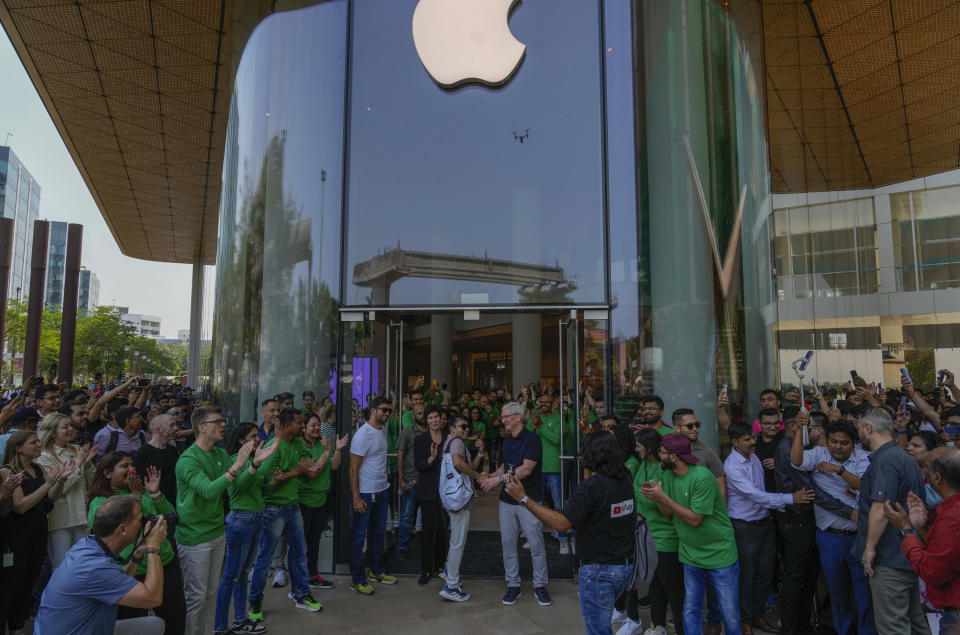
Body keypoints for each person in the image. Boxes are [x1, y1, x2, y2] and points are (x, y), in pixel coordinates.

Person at [504, 431, 635, 635]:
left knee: (598, 631)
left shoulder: (592, 488)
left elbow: (562, 524)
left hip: (599, 572)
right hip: (624, 567)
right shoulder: (625, 478)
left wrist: (523, 499)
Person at [176, 406, 275, 635]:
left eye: (223, 420)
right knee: (197, 598)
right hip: (194, 537)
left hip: (216, 532)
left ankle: (218, 629)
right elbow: (210, 491)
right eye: (217, 421)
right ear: (201, 428)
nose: (223, 424)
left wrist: (255, 463)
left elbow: (237, 485)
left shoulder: (220, 454)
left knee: (210, 593)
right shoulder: (188, 460)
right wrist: (240, 464)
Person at [640, 433, 740, 635]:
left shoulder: (702, 477)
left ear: (674, 457)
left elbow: (695, 519)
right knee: (690, 609)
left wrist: (664, 498)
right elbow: (667, 514)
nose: (659, 456)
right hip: (690, 554)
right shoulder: (667, 476)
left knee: (729, 612)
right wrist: (657, 498)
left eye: (663, 452)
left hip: (719, 553)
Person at [724, 419, 813, 634]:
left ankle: (755, 615)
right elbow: (756, 496)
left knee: (765, 574)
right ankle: (745, 619)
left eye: (752, 437)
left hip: (764, 523)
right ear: (735, 442)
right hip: (744, 527)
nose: (753, 442)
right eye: (747, 439)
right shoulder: (731, 466)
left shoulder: (753, 457)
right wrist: (791, 498)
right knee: (747, 575)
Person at [34, 496, 167, 635]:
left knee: (154, 625)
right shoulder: (93, 567)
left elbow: (119, 582)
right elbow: (153, 598)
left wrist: (138, 553)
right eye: (140, 520)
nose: (142, 524)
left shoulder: (87, 545)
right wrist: (153, 546)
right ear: (122, 529)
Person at [791, 418, 875, 635]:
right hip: (830, 538)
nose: (837, 447)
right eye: (833, 441)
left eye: (843, 443)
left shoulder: (863, 458)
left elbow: (866, 486)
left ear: (853, 443)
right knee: (837, 592)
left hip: (859, 537)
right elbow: (797, 461)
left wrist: (838, 471)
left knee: (864, 592)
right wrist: (800, 430)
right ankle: (843, 631)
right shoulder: (819, 454)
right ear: (826, 439)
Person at [87, 452, 186, 633]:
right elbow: (126, 528)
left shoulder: (139, 490)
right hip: (131, 574)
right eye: (124, 466)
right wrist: (136, 498)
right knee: (133, 626)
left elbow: (170, 516)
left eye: (132, 464)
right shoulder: (100, 502)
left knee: (175, 621)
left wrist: (154, 493)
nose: (131, 469)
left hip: (164, 565)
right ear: (107, 473)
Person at [854, 407, 930, 635]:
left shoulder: (886, 461)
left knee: (893, 627)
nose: (858, 435)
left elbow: (880, 510)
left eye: (859, 429)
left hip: (889, 559)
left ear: (868, 428)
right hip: (905, 554)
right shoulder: (904, 457)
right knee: (915, 622)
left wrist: (868, 549)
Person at [248, 408, 324, 616]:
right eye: (299, 422)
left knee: (300, 554)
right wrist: (295, 472)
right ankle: (255, 601)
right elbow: (265, 484)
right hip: (273, 509)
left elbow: (308, 469)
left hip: (293, 506)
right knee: (265, 559)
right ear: (287, 425)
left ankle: (301, 594)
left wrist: (299, 471)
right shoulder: (274, 446)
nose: (302, 425)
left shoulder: (298, 443)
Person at [0, 430, 75, 635]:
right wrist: (49, 484)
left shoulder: (38, 468)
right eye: (33, 443)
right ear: (18, 448)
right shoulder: (8, 471)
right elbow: (20, 506)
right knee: (11, 584)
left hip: (38, 531)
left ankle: (18, 628)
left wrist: (60, 481)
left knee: (29, 582)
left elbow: (50, 499)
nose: (39, 445)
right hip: (16, 536)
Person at [479, 401, 551, 607]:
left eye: (505, 417)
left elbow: (526, 469)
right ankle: (513, 585)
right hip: (507, 500)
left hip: (529, 499)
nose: (502, 420)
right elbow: (505, 467)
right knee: (508, 544)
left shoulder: (533, 439)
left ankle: (540, 585)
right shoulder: (507, 441)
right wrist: (490, 475)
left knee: (536, 543)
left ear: (517, 417)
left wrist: (497, 481)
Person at [883, 447, 960, 635]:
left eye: (925, 468)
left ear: (936, 478)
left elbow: (933, 572)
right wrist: (921, 528)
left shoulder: (951, 519)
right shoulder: (949, 515)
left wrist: (906, 531)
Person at [619, 428, 683, 635]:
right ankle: (658, 626)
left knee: (673, 589)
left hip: (665, 538)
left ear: (649, 447)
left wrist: (656, 497)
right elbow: (635, 492)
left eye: (639, 445)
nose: (635, 448)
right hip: (645, 535)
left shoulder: (664, 470)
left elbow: (667, 512)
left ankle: (684, 629)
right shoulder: (644, 465)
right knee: (654, 585)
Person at [214, 423, 268, 635]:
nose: (257, 439)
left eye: (257, 435)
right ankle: (220, 627)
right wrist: (253, 465)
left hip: (256, 517)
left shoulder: (255, 456)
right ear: (240, 440)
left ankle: (239, 620)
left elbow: (262, 484)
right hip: (241, 519)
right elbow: (238, 487)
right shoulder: (233, 461)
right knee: (230, 576)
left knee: (242, 573)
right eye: (252, 436)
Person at [349, 396, 399, 594]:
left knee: (378, 534)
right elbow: (353, 469)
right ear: (373, 410)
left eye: (389, 411)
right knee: (359, 536)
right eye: (383, 410)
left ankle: (376, 571)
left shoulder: (381, 431)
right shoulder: (363, 434)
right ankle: (357, 578)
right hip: (365, 493)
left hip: (381, 490)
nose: (386, 413)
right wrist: (356, 497)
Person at [36, 412, 98, 566]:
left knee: (83, 563)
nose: (71, 429)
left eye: (72, 425)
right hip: (60, 519)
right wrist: (79, 464)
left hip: (82, 516)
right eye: (65, 427)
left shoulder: (76, 450)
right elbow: (57, 491)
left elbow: (91, 483)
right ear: (52, 432)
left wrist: (88, 464)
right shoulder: (44, 457)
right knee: (61, 566)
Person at [439, 413, 486, 602]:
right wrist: (478, 476)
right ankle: (451, 585)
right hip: (458, 499)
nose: (466, 430)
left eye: (467, 427)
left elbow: (466, 465)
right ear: (452, 429)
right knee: (458, 541)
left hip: (453, 496)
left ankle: (448, 571)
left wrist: (480, 454)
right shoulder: (456, 441)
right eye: (462, 426)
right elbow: (459, 463)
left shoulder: (454, 442)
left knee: (456, 539)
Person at [299, 411, 347, 589]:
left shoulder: (322, 444)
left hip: (320, 500)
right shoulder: (300, 446)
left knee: (314, 542)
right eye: (313, 425)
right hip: (304, 502)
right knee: (301, 544)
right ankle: (300, 581)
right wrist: (327, 453)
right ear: (303, 427)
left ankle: (312, 576)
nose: (317, 428)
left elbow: (334, 465)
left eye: (318, 424)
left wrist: (338, 449)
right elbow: (312, 472)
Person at [413, 405, 450, 585]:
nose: (434, 421)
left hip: (446, 491)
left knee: (443, 531)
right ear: (426, 421)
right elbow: (418, 465)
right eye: (431, 418)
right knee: (428, 531)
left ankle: (440, 565)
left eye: (437, 417)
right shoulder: (421, 440)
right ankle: (426, 569)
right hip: (427, 491)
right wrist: (431, 459)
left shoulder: (449, 439)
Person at [395, 402, 426, 556]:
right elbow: (399, 456)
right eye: (419, 413)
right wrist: (401, 480)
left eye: (424, 413)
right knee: (407, 516)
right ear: (413, 416)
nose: (423, 416)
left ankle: (427, 547)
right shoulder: (406, 432)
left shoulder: (433, 432)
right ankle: (402, 547)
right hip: (411, 480)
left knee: (429, 516)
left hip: (428, 480)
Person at [133, 414, 180, 504]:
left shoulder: (172, 450)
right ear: (159, 430)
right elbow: (138, 484)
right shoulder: (142, 453)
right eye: (171, 425)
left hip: (172, 502)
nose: (176, 428)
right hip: (153, 504)